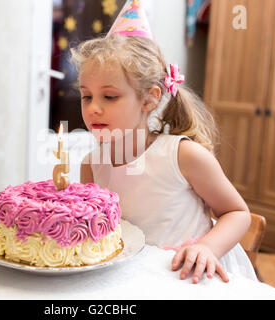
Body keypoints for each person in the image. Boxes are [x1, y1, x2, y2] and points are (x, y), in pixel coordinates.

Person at [71, 0, 256, 283]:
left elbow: (237, 212)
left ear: (150, 98)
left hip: (188, 278)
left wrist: (206, 248)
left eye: (109, 96)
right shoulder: (91, 166)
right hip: (129, 280)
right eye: (87, 96)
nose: (93, 108)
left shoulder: (183, 156)